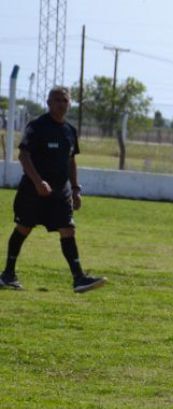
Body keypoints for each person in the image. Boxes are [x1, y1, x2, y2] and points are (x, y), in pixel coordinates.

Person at [0, 86, 106, 293]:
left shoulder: (69, 131)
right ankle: (7, 274)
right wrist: (38, 182)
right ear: (48, 103)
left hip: (61, 192)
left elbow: (71, 161)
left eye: (64, 100)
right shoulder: (37, 126)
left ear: (69, 103)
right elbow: (24, 156)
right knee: (24, 228)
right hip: (33, 191)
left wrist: (75, 189)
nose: (61, 104)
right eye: (56, 100)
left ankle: (79, 278)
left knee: (68, 229)